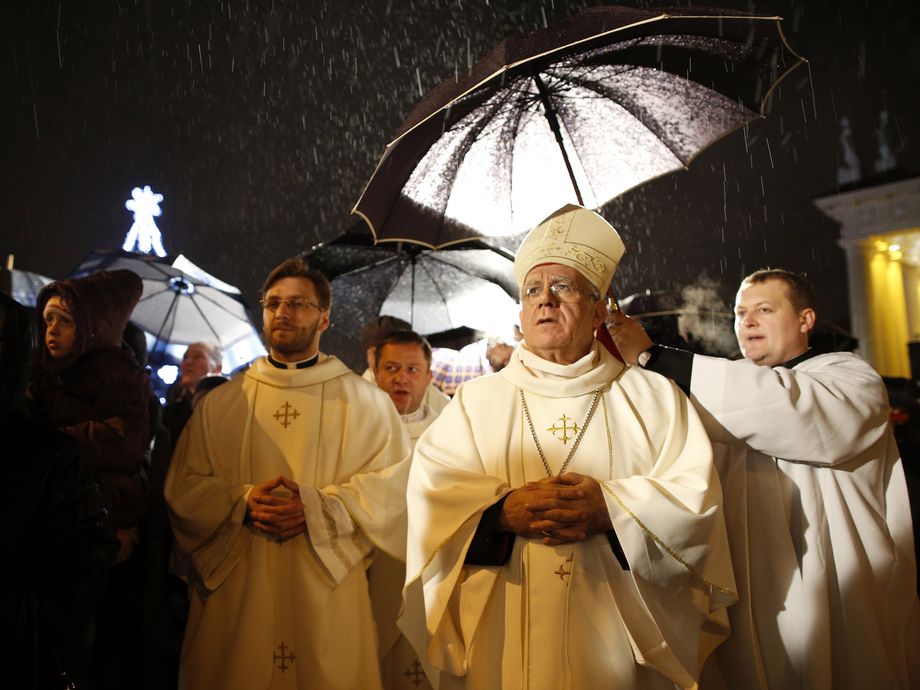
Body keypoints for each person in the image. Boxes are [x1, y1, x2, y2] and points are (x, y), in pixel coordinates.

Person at [402, 204, 735, 690]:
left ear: (601, 309)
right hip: (504, 623)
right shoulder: (478, 399)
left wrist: (614, 509)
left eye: (564, 288)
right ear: (519, 312)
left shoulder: (653, 397)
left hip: (619, 635)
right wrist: (499, 513)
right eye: (532, 291)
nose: (545, 302)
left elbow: (697, 502)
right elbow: (432, 496)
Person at [610, 268, 920, 690]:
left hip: (836, 585)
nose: (748, 321)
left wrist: (653, 356)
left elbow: (789, 409)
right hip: (746, 586)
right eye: (740, 313)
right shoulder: (713, 390)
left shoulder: (850, 378)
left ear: (805, 320)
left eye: (764, 310)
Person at [164, 257, 412, 690]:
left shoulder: (366, 404)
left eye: (298, 303)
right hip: (241, 591)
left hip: (327, 590)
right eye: (273, 302)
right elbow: (183, 490)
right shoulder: (224, 404)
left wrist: (316, 508)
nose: (283, 312)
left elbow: (396, 490)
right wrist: (241, 502)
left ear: (324, 318)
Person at [1, 291, 118, 689]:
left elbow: (80, 572)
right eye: (48, 320)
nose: (55, 331)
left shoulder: (50, 456)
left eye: (65, 320)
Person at [371, 329, 439, 690]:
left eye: (413, 370)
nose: (401, 378)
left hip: (432, 568)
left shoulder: (449, 432)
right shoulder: (360, 431)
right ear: (375, 371)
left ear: (429, 376)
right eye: (392, 368)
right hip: (374, 568)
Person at [362, 314, 450, 413]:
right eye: (391, 366)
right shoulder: (355, 397)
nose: (401, 378)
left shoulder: (438, 402)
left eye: (411, 369)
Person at [162, 341, 222, 444]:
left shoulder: (226, 407)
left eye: (197, 356)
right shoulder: (170, 413)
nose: (188, 362)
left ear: (217, 368)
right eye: (185, 357)